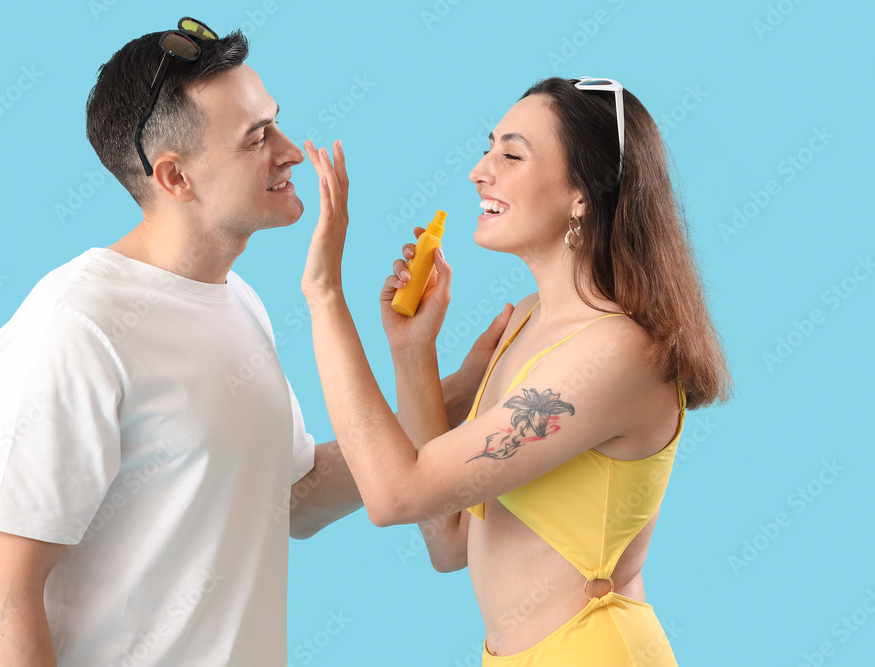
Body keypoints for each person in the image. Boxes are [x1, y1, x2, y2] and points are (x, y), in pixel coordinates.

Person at [0, 19, 503, 666]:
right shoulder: (74, 330)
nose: (291, 151)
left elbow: (295, 493)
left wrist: (464, 385)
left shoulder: (236, 299)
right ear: (174, 177)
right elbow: (1, 591)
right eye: (257, 138)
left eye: (274, 122)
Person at [300, 76, 731, 665]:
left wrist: (326, 298)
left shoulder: (615, 355)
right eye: (488, 148)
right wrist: (412, 351)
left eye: (512, 154)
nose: (480, 170)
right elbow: (448, 539)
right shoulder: (524, 325)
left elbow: (395, 494)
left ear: (583, 194)